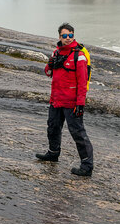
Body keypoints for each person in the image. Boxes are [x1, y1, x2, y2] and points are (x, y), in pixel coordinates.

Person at [36, 23, 93, 177]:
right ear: (59, 37)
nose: (68, 38)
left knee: (78, 133)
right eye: (64, 36)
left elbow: (82, 82)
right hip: (56, 100)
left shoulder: (79, 55)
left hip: (72, 102)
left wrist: (81, 103)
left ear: (73, 35)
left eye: (70, 35)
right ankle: (53, 153)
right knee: (53, 127)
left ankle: (87, 166)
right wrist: (50, 64)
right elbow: (48, 72)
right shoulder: (56, 53)